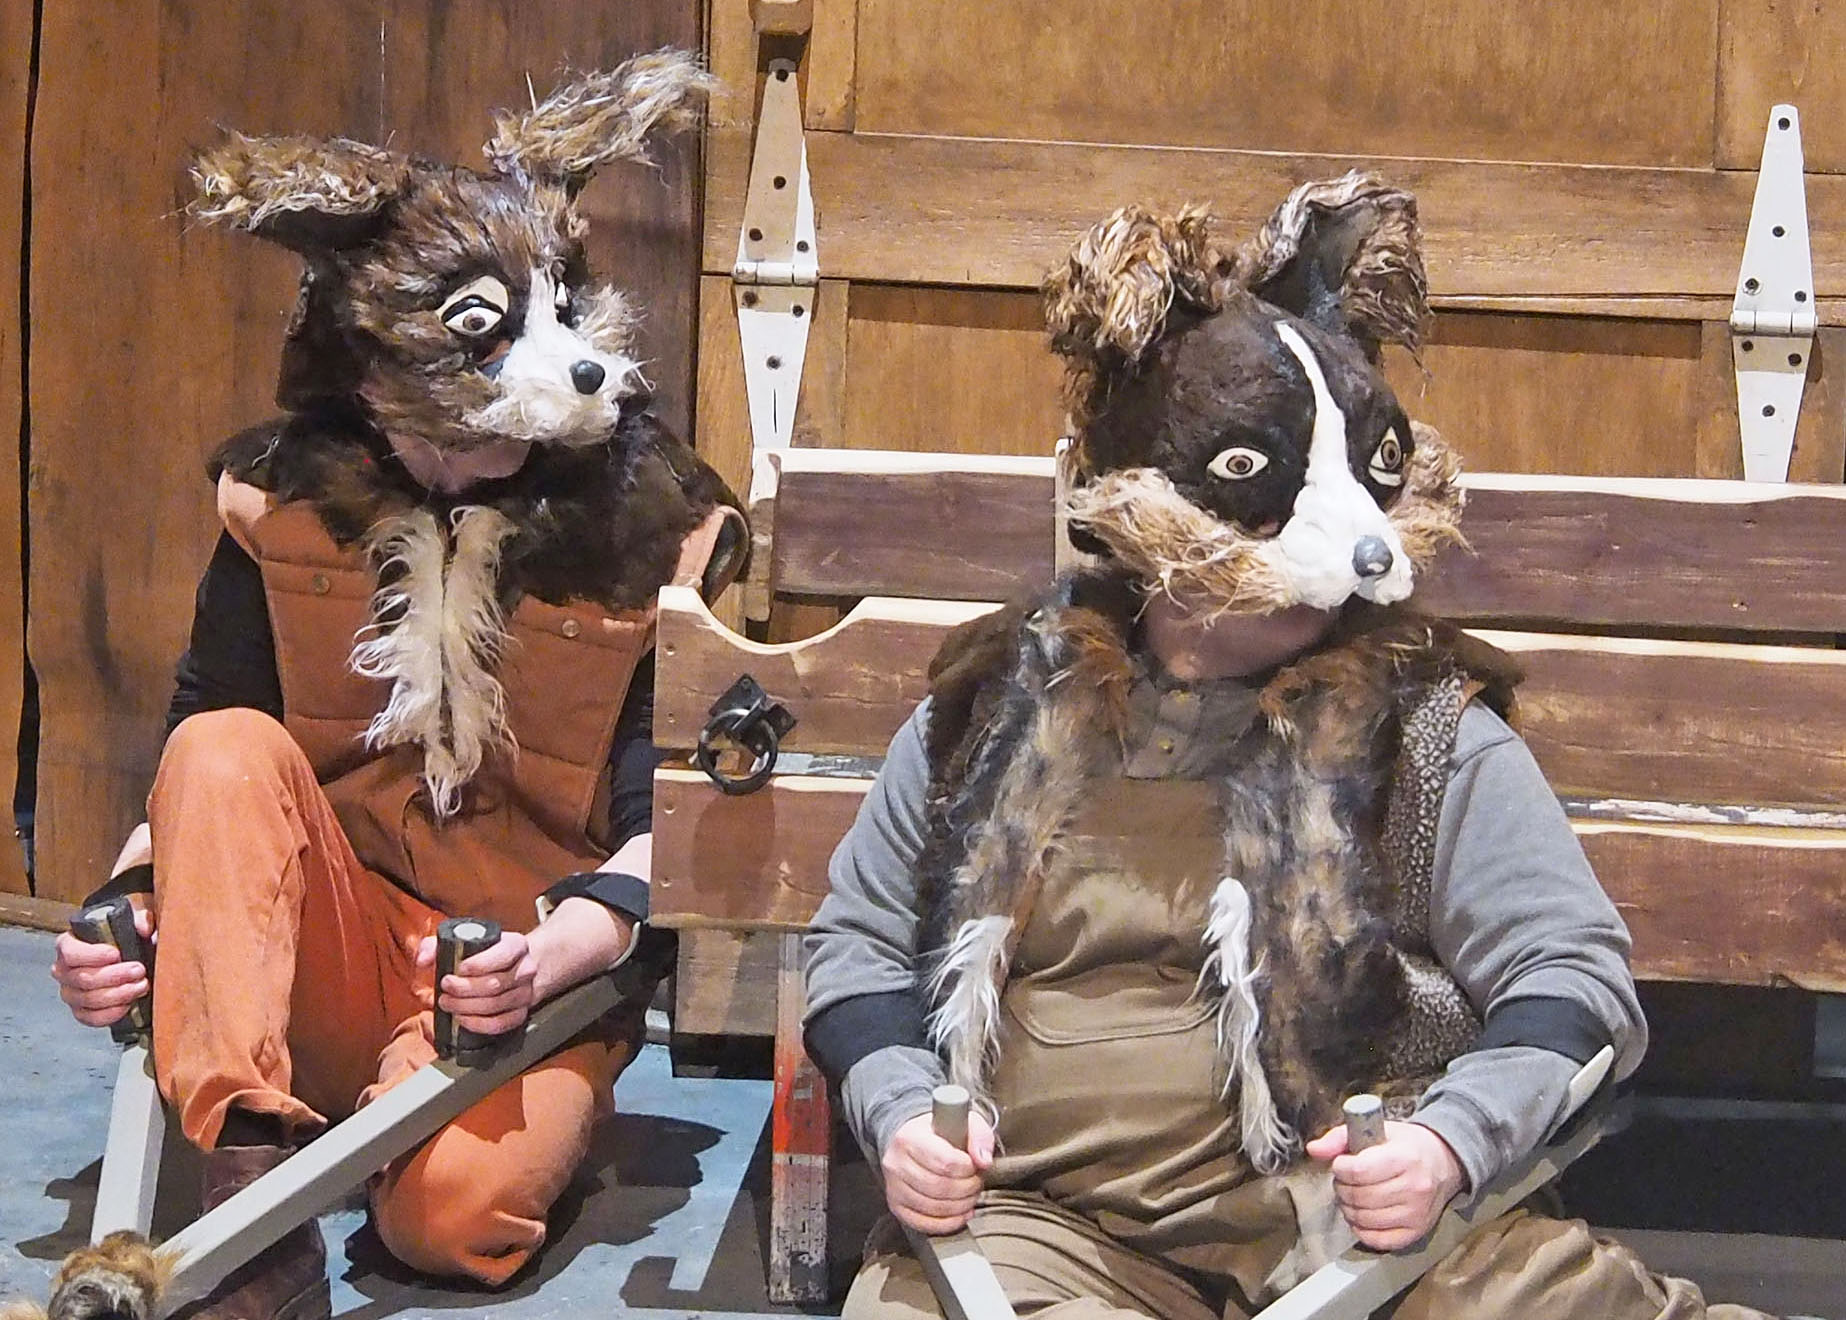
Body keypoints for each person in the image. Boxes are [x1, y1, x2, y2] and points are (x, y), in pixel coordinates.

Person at [803, 176, 1773, 1319]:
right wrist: (898, 1107)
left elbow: (1571, 981)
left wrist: (1449, 1148)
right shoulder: (990, 709)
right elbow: (853, 949)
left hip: (1354, 1230)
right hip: (1046, 1223)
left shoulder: (1425, 729)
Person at [48, 51, 742, 1320]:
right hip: (327, 935)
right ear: (367, 377)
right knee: (220, 751)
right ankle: (252, 1210)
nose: (486, 441)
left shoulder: (659, 533)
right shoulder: (279, 502)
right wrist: (130, 904)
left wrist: (554, 956)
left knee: (452, 1225)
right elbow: (211, 740)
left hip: (522, 970)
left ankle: (357, 1144)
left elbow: (671, 829)